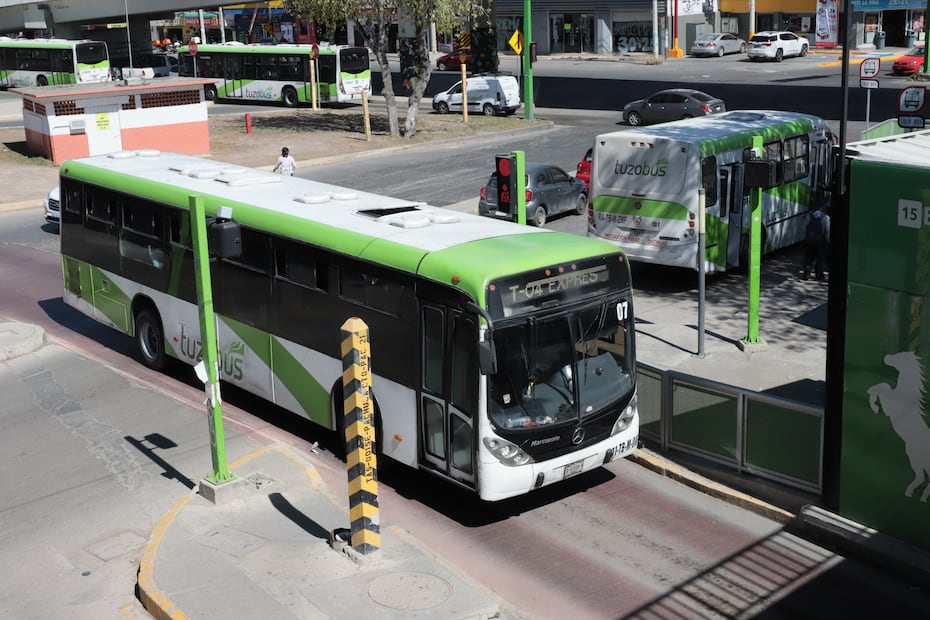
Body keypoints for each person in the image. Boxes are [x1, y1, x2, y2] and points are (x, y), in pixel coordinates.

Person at [801, 205, 830, 281]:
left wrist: (805, 238)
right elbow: (827, 231)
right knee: (820, 259)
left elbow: (804, 228)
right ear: (823, 209)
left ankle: (806, 274)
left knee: (808, 258)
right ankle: (819, 276)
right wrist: (828, 241)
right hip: (821, 243)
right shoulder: (826, 218)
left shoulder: (808, 216)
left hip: (809, 241)